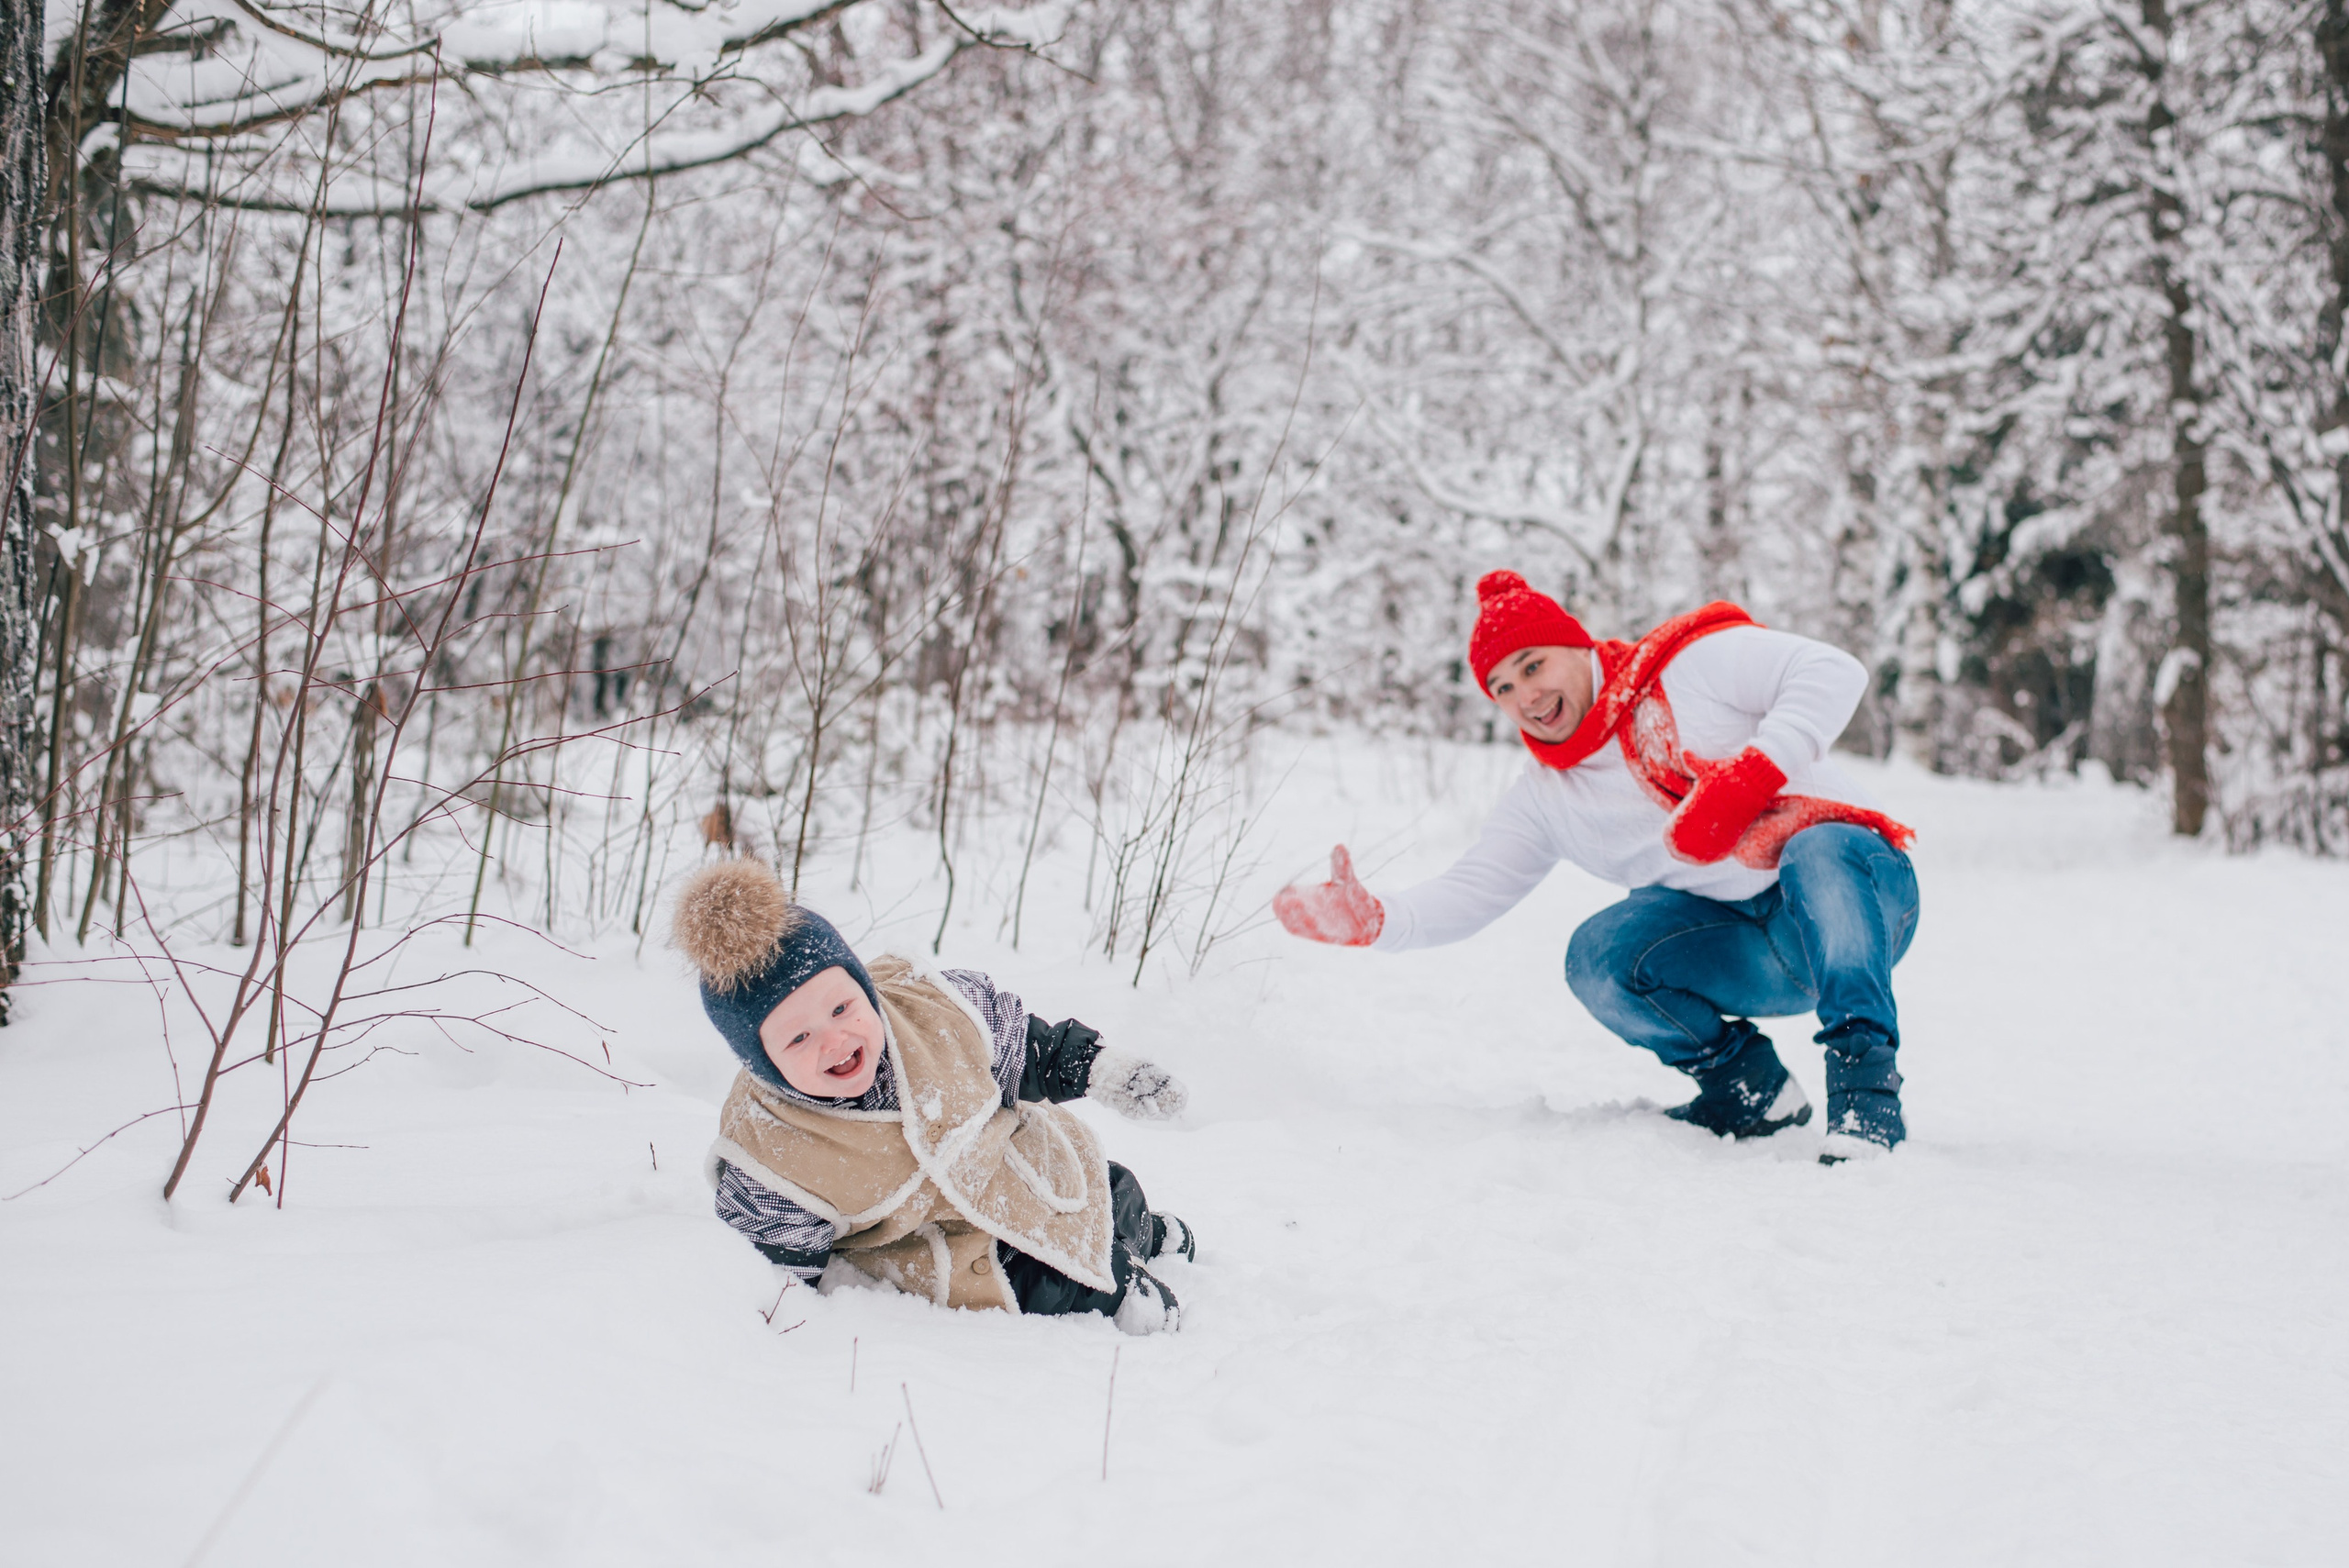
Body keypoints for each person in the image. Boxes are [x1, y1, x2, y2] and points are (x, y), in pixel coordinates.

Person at [1274, 571, 1920, 1162]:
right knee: (1600, 954)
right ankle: (1750, 1089)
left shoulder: (1687, 669)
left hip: (1860, 900)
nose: (1526, 695)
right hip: (1750, 950)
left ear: (1576, 647)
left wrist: (1751, 775)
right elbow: (1472, 889)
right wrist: (1380, 920)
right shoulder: (1547, 797)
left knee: (1819, 849)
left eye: (1534, 665)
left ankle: (1867, 1098)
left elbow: (1834, 671)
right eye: (1503, 686)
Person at [673, 858, 1197, 1333]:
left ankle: (1145, 1232)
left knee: (1108, 1184)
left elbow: (1030, 1050)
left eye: (841, 1009)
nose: (835, 1040)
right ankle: (1133, 1299)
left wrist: (1100, 1070)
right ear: (762, 1062)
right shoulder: (773, 1152)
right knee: (1068, 1282)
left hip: (1018, 1166)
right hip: (956, 1242)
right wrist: (786, 1318)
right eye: (798, 1038)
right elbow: (776, 1267)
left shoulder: (935, 1009)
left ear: (863, 987)